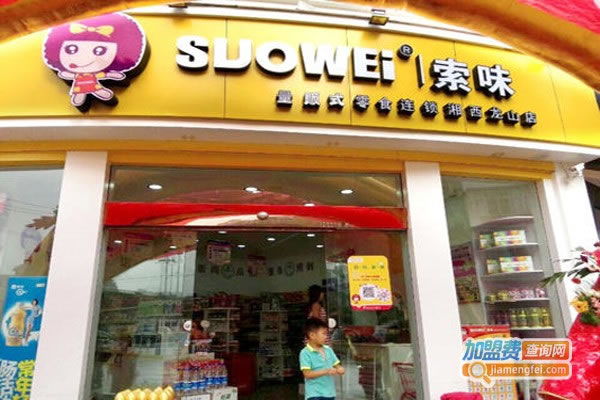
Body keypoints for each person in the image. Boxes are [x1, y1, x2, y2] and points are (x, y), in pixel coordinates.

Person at [300, 318, 345, 400]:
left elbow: (337, 365)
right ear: (312, 335)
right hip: (314, 394)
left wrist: (340, 369)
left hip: (330, 393)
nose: (326, 337)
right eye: (323, 334)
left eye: (326, 334)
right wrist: (326, 371)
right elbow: (307, 374)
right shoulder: (305, 353)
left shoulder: (328, 350)